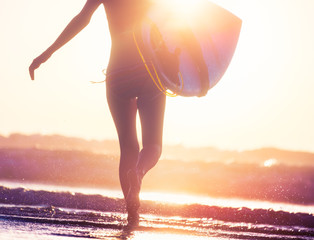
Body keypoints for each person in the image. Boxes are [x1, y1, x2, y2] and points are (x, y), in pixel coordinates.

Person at [29, 0, 166, 228]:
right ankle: (139, 174)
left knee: (128, 147)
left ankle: (132, 217)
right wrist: (197, 78)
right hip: (149, 70)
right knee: (153, 147)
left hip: (118, 69)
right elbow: (175, 27)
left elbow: (82, 19)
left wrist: (47, 54)